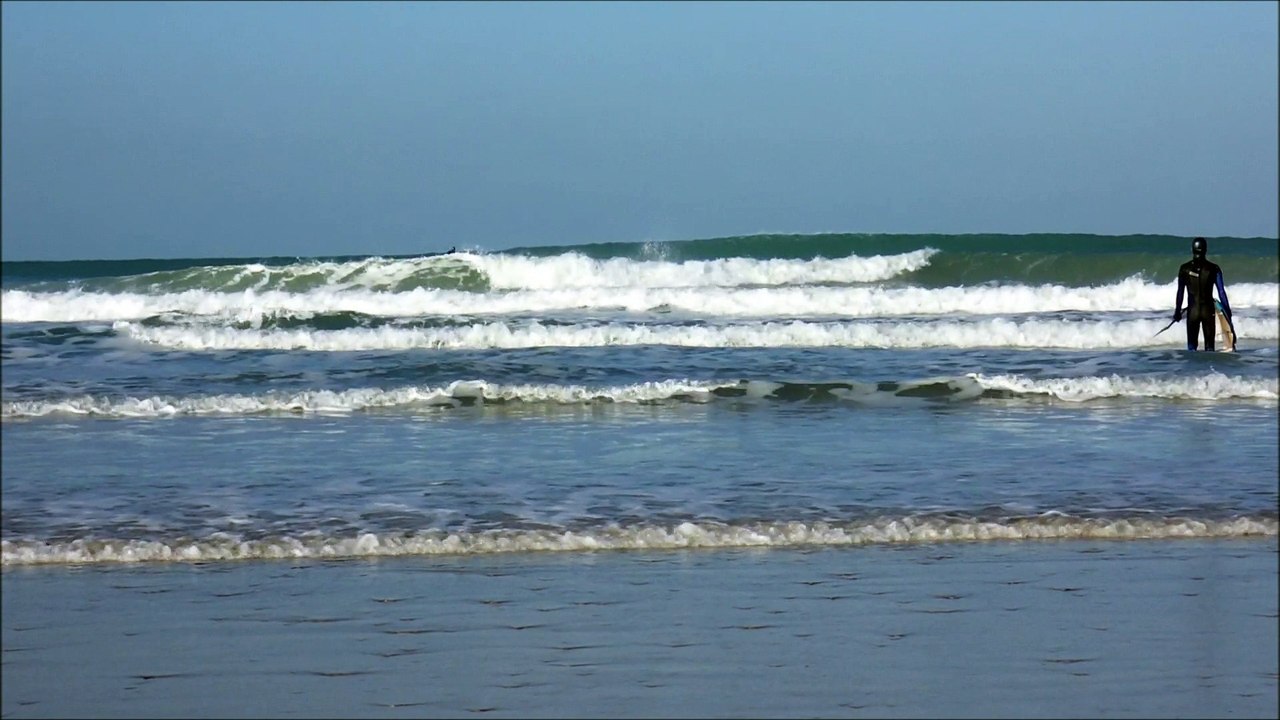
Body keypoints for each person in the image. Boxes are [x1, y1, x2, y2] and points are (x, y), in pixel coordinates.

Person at [1173, 236, 1234, 351]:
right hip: (1208, 312)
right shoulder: (1213, 268)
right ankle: (1209, 369)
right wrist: (1227, 312)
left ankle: (1192, 369)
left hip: (1192, 312)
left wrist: (1177, 312)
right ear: (1205, 250)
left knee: (1191, 348)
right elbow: (1221, 292)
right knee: (1210, 349)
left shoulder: (1184, 269)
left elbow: (1180, 292)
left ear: (1192, 250)